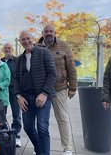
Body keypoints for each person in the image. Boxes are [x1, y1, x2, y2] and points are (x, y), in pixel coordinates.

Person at [36, 24, 77, 155]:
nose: (48, 33)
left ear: (55, 32)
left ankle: (67, 148)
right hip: (42, 90)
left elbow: (71, 67)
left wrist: (73, 87)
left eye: (51, 31)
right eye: (46, 31)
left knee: (62, 118)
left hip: (59, 88)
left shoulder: (64, 45)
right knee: (42, 121)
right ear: (42, 33)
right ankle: (41, 148)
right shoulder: (36, 47)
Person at [15, 30, 56, 155]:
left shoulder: (44, 53)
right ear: (20, 41)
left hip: (42, 97)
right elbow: (15, 79)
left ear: (32, 39)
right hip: (26, 98)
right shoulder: (19, 59)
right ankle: (40, 150)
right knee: (28, 128)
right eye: (23, 39)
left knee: (42, 127)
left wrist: (44, 93)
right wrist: (18, 96)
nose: (26, 41)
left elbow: (53, 74)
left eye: (28, 38)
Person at [1, 42, 22, 147]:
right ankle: (3, 134)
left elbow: (21, 76)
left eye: (9, 48)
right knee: (1, 114)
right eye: (5, 48)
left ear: (12, 50)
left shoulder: (17, 61)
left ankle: (16, 136)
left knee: (16, 114)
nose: (7, 49)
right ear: (3, 49)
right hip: (2, 92)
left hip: (14, 91)